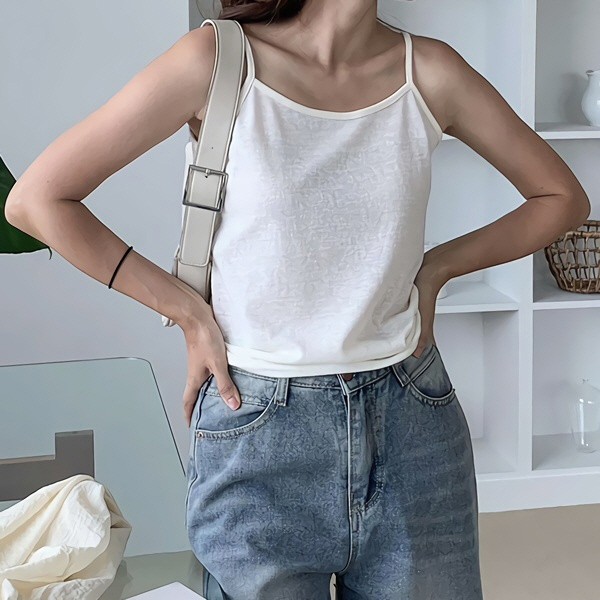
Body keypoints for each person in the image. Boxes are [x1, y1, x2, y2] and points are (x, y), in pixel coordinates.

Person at [5, 0, 590, 599]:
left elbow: (561, 198)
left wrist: (438, 267)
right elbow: (36, 201)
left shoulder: (431, 71)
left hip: (412, 421)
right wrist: (187, 311)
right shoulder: (216, 59)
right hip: (256, 425)